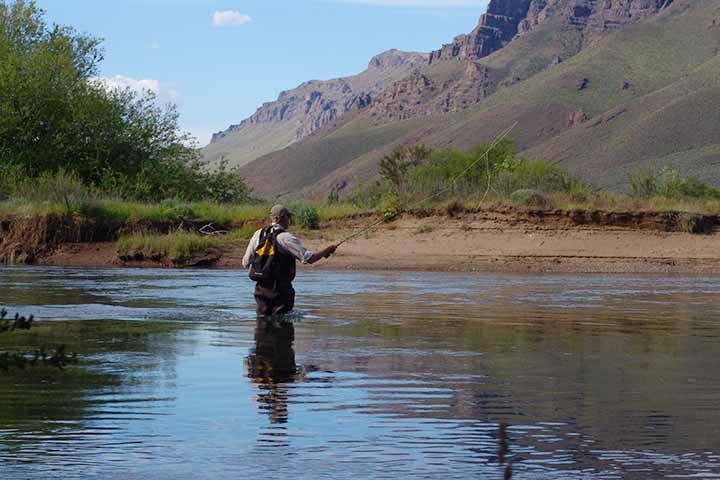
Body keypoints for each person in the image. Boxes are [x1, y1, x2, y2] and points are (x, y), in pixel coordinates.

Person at [242, 204, 337, 316]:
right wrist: (327, 250)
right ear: (280, 218)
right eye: (288, 217)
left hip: (260, 290)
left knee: (262, 323)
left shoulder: (258, 234)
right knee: (282, 325)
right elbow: (308, 259)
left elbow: (245, 263)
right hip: (281, 290)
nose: (289, 220)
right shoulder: (285, 237)